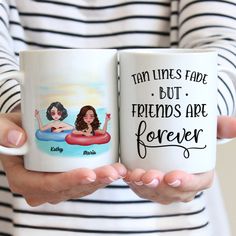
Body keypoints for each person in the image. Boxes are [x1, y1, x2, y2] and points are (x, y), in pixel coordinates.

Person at [0, 0, 236, 235]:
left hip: (169, 221)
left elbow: (223, 45)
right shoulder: (67, 126)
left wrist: (200, 114)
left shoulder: (83, 125)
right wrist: (17, 116)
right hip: (23, 217)